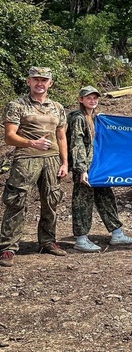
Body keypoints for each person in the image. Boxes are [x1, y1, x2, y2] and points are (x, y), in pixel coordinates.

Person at [0, 67, 68, 268]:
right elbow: (9, 136)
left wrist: (65, 162)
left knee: (51, 200)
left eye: (44, 80)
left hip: (52, 160)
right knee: (17, 201)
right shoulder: (17, 105)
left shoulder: (57, 107)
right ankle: (8, 248)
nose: (40, 83)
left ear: (50, 83)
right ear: (28, 81)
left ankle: (48, 241)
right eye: (35, 79)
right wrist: (32, 143)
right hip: (26, 159)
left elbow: (61, 136)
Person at [68, 86, 132, 252]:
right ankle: (81, 238)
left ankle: (117, 233)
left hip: (99, 167)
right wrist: (81, 169)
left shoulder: (96, 117)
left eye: (95, 98)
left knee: (106, 197)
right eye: (88, 98)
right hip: (85, 168)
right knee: (82, 202)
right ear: (81, 99)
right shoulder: (79, 118)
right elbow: (76, 144)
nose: (92, 101)